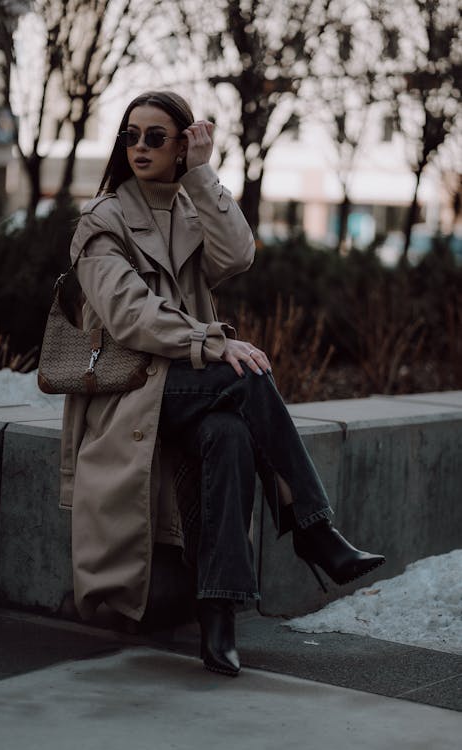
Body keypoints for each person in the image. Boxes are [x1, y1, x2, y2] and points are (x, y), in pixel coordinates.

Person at [60, 90, 384, 677]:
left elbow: (237, 255)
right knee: (248, 376)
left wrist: (205, 174)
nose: (139, 147)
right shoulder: (101, 222)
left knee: (230, 433)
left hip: (185, 385)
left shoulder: (188, 208)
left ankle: (219, 618)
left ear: (182, 144)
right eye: (130, 135)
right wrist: (213, 342)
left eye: (155, 136)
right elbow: (129, 314)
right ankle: (313, 528)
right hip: (131, 390)